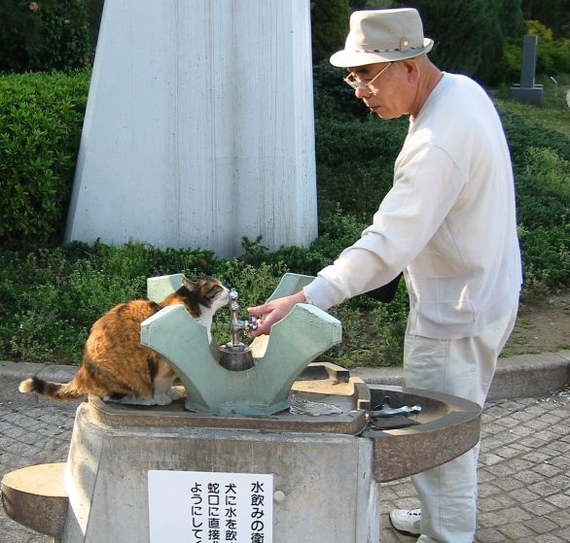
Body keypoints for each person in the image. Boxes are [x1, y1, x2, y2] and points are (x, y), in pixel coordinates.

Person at [248, 7, 522, 543]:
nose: (358, 91)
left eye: (368, 75)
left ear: (410, 67)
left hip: (456, 310)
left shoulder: (437, 142)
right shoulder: (460, 92)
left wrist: (308, 297)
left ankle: (450, 533)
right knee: (458, 415)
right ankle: (440, 512)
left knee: (441, 430)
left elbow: (386, 245)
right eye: (353, 76)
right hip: (486, 286)